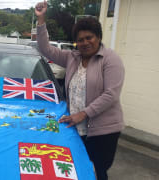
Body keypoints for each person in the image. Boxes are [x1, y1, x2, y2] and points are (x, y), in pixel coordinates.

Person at [35, 1, 125, 180]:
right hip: (75, 128)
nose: (85, 43)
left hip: (102, 132)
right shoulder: (72, 58)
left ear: (98, 37)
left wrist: (83, 114)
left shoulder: (110, 59)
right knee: (75, 170)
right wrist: (41, 19)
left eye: (89, 37)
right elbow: (45, 49)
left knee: (96, 172)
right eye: (80, 39)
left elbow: (111, 94)